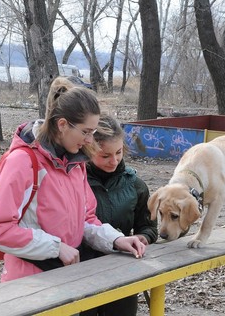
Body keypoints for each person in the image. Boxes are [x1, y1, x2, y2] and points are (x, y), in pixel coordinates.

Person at [0, 76, 146, 282]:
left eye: (93, 132)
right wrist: (56, 247)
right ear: (62, 124)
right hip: (29, 283)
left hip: (67, 277)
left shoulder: (76, 164)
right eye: (86, 132)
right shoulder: (23, 162)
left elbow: (86, 220)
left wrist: (116, 239)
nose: (90, 140)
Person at [81, 114, 158, 316]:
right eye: (105, 156)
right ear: (88, 149)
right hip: (80, 274)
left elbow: (149, 226)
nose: (114, 161)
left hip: (122, 274)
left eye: (118, 152)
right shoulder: (75, 181)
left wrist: (144, 237)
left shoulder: (136, 185)